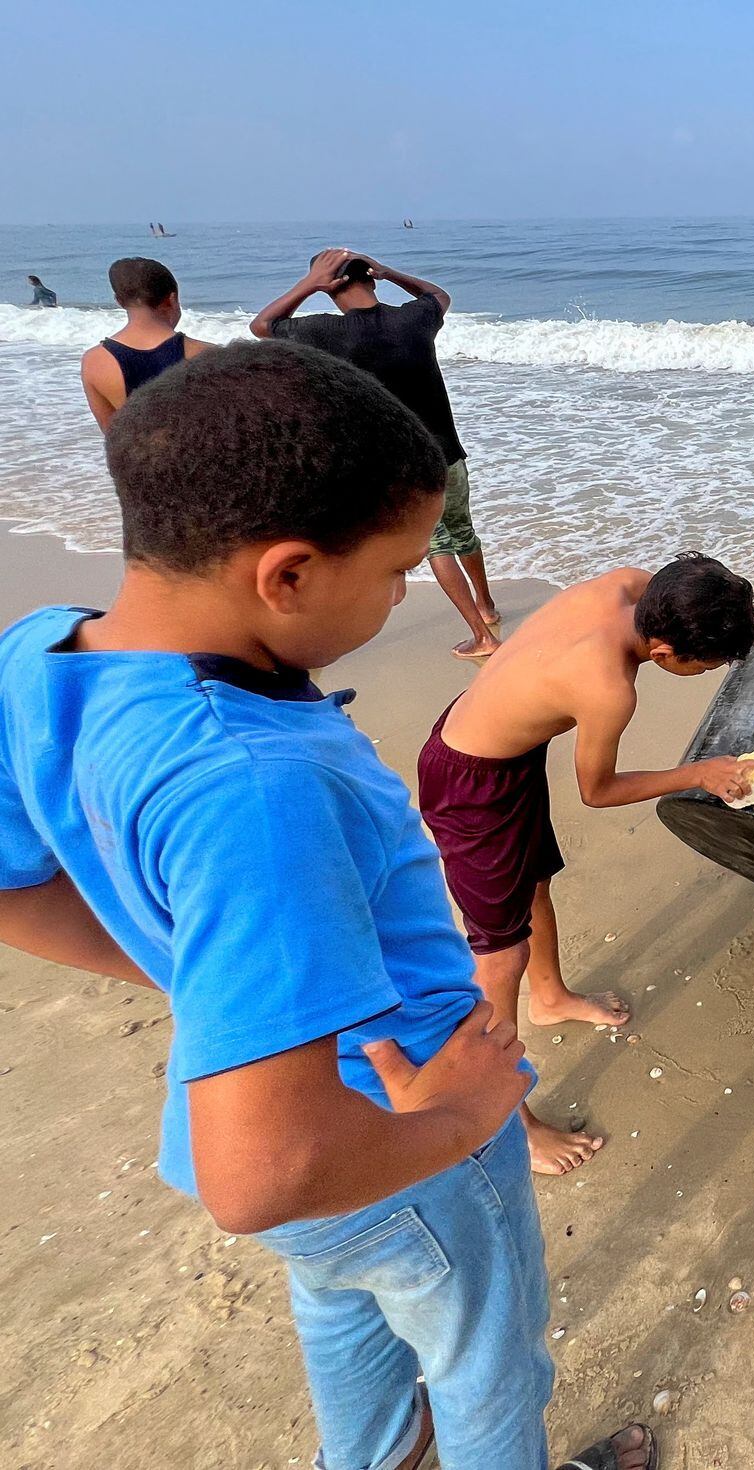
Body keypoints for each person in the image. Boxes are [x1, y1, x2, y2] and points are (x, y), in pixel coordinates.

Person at [0, 340, 652, 1470]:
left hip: (318, 1157)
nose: (404, 593)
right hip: (391, 1134)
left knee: (343, 1308)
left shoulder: (41, 655)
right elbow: (261, 1177)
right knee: (489, 1370)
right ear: (288, 575)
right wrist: (457, 1120)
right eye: (397, 569)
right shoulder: (254, 789)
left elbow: (12, 885)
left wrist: (209, 978)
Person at [416, 556, 754, 1174]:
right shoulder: (608, 688)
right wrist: (700, 773)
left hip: (502, 750)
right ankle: (507, 1122)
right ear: (666, 651)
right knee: (498, 955)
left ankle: (553, 997)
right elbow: (600, 789)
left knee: (533, 880)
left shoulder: (629, 585)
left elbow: (716, 610)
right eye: (708, 665)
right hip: (470, 782)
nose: (710, 672)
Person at [250, 247, 502, 660]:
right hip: (448, 452)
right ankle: (487, 607)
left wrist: (310, 284)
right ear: (370, 277)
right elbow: (439, 295)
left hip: (402, 466)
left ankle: (483, 636)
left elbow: (263, 325)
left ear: (332, 288)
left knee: (438, 544)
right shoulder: (412, 320)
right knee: (463, 530)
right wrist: (391, 272)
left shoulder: (326, 333)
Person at [79, 257, 215, 433]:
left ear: (119, 301)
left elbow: (112, 436)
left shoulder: (94, 361)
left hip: (137, 459)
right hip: (197, 458)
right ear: (172, 299)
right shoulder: (205, 354)